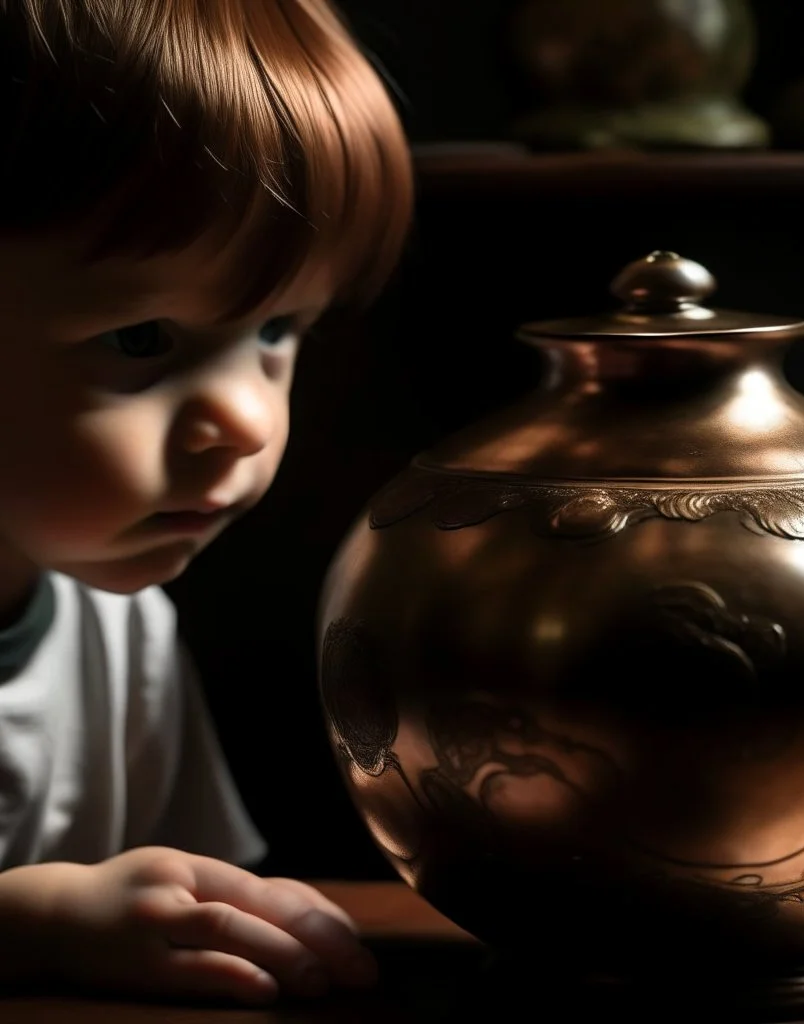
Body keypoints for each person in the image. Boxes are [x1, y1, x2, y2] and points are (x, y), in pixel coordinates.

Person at [0, 0, 413, 1006]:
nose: (244, 419)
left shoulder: (120, 630)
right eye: (141, 338)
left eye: (278, 329)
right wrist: (31, 926)